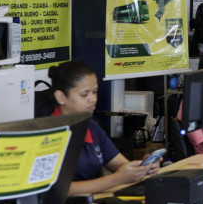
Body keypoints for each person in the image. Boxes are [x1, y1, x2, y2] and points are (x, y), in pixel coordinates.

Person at [49, 61, 161, 196]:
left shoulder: (92, 127)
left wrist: (143, 167)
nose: (93, 99)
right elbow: (58, 189)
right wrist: (116, 179)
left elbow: (120, 165)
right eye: (84, 94)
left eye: (95, 92)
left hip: (96, 202)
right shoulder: (47, 135)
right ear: (61, 96)